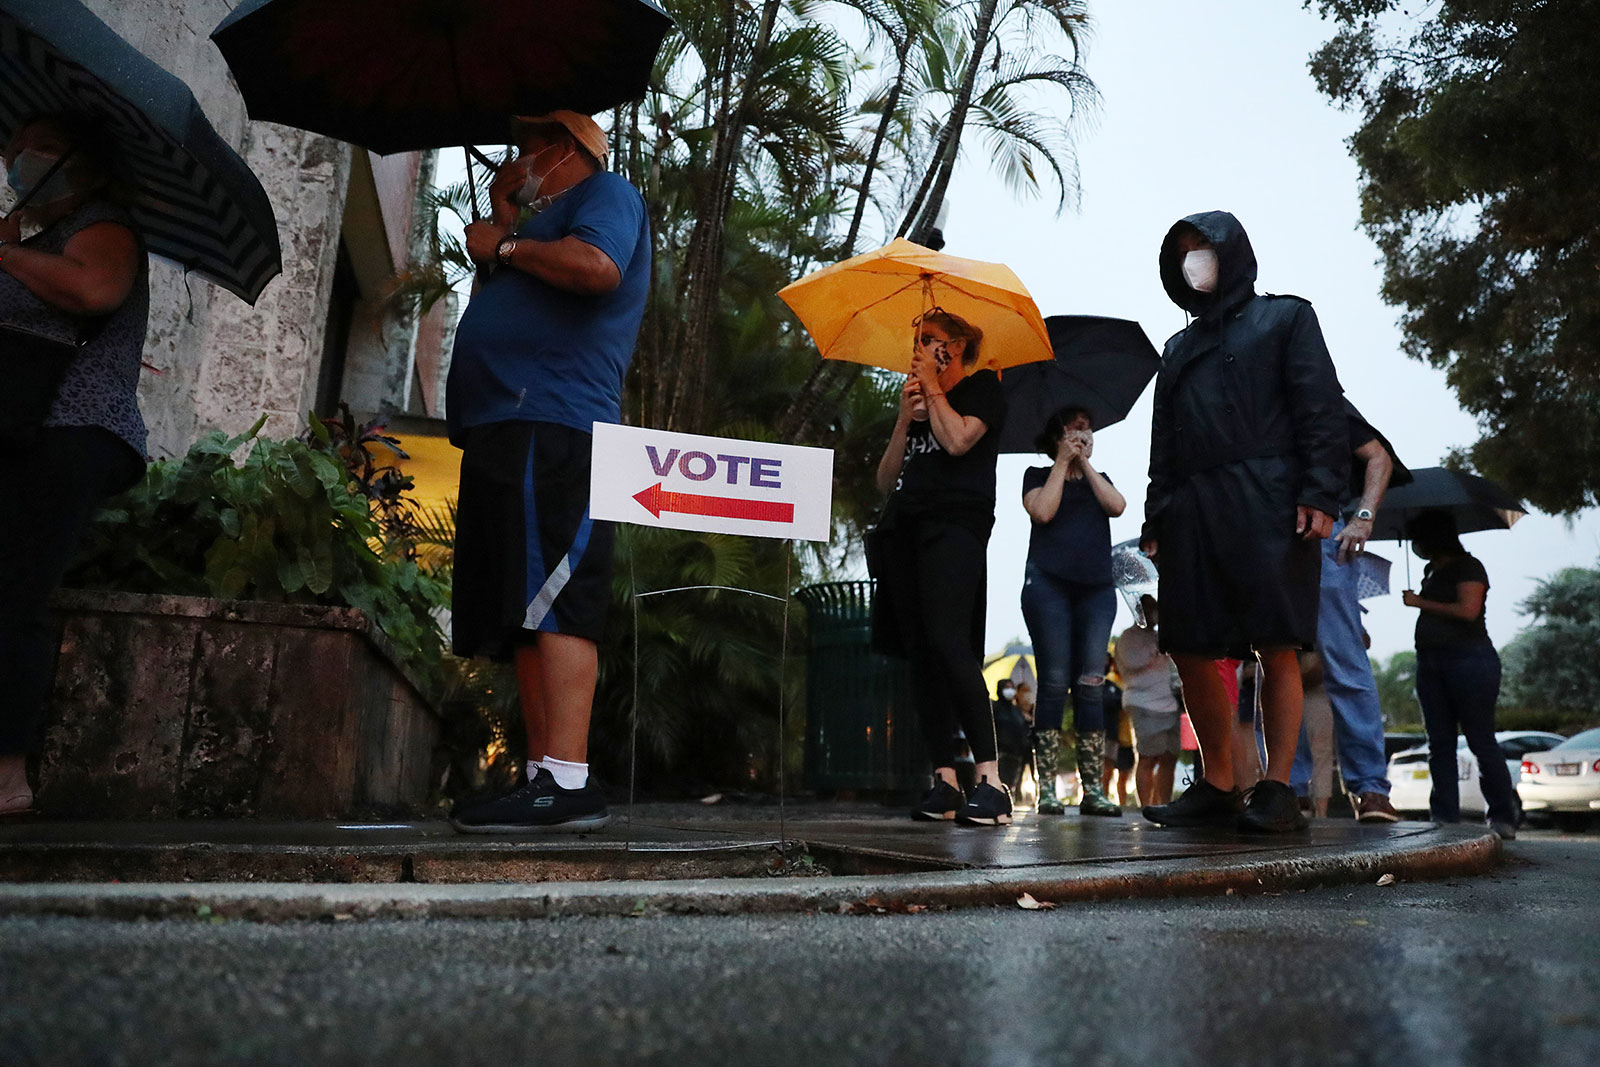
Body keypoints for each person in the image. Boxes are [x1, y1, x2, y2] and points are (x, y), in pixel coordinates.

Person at [446, 112, 650, 833]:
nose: (517, 157)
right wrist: (503, 228)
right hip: (507, 420)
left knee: (557, 595)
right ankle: (543, 776)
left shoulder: (607, 196)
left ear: (566, 150)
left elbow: (599, 268)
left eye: (528, 145)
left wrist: (506, 239)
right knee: (524, 608)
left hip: (555, 419)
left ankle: (567, 775)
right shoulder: (532, 230)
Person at [1139, 211, 1349, 833]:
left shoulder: (1286, 317)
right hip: (1192, 507)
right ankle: (1218, 781)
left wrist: (1320, 492)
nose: (1193, 260)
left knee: (1277, 641)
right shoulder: (1177, 348)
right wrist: (1158, 518)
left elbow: (1320, 407)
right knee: (1190, 644)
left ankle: (1278, 788)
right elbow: (1163, 445)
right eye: (1182, 252)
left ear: (1231, 250)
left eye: (1201, 246)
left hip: (1271, 495)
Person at [0, 114, 149, 818]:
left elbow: (96, 291)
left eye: (42, 146)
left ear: (81, 166)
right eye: (16, 143)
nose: (18, 156)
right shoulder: (35, 235)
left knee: (16, 590)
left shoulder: (103, 224)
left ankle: (8, 775)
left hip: (74, 426)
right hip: (27, 428)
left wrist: (6, 257)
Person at [870, 308, 1010, 825]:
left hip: (956, 525)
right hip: (905, 528)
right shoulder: (915, 401)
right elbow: (886, 479)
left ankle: (991, 780)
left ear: (956, 346)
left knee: (951, 642)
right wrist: (905, 419)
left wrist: (933, 387)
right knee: (921, 653)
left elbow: (958, 441)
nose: (921, 346)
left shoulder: (982, 391)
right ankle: (945, 778)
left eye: (931, 339)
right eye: (919, 338)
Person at [1290, 401, 1407, 822]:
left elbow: (1378, 456)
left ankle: (1371, 790)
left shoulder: (1321, 396)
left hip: (1323, 534)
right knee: (1275, 662)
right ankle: (1284, 788)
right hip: (1268, 538)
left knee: (1345, 663)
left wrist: (1363, 517)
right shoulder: (1250, 400)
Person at [1019, 407, 1126, 816]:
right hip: (1048, 587)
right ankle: (1047, 788)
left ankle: (1093, 790)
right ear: (1056, 435)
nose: (1083, 433)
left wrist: (1084, 464)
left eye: (1088, 427)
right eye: (1074, 427)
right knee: (1054, 681)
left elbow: (1117, 506)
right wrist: (1063, 463)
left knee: (1091, 684)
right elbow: (1042, 511)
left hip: (1096, 590)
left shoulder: (1103, 481)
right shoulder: (1036, 476)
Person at [1401, 509, 1516, 840]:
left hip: (1469, 661)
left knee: (1481, 740)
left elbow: (1469, 610)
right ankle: (1445, 817)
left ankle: (1501, 816)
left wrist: (1421, 603)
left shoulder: (1469, 567)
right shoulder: (1430, 571)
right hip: (1431, 662)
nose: (1415, 546)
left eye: (1418, 539)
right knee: (1439, 743)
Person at [1116, 596, 1181, 807]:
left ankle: (1165, 803)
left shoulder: (1160, 635)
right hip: (1143, 704)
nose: (1155, 612)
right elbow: (1132, 663)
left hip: (1169, 704)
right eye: (1150, 608)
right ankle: (1146, 807)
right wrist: (1155, 651)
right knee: (1147, 757)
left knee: (1169, 758)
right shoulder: (1128, 638)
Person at [992, 679, 1029, 797]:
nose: (1010, 690)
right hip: (1001, 753)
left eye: (1012, 687)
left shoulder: (1017, 710)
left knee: (1012, 783)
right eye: (1006, 687)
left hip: (1016, 754)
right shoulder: (995, 708)